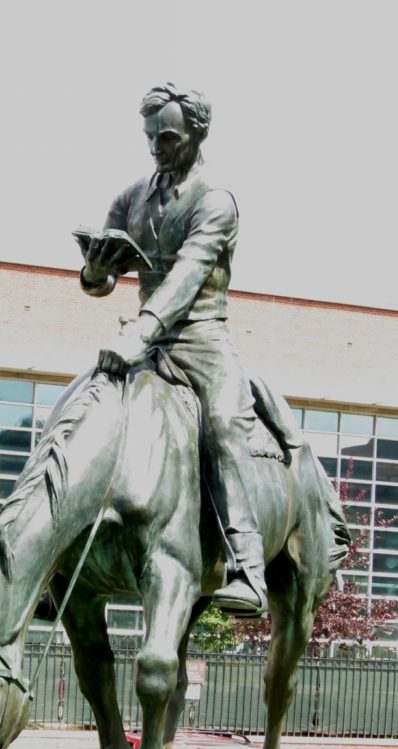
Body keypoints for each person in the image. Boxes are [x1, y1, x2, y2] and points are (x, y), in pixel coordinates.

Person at [80, 83, 282, 617]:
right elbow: (102, 280)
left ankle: (248, 567)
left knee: (221, 427)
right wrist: (96, 271)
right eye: (149, 137)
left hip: (200, 339)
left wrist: (139, 333)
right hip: (142, 335)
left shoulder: (216, 200)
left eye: (166, 137)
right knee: (82, 410)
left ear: (197, 133)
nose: (155, 148)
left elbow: (189, 276)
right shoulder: (131, 197)